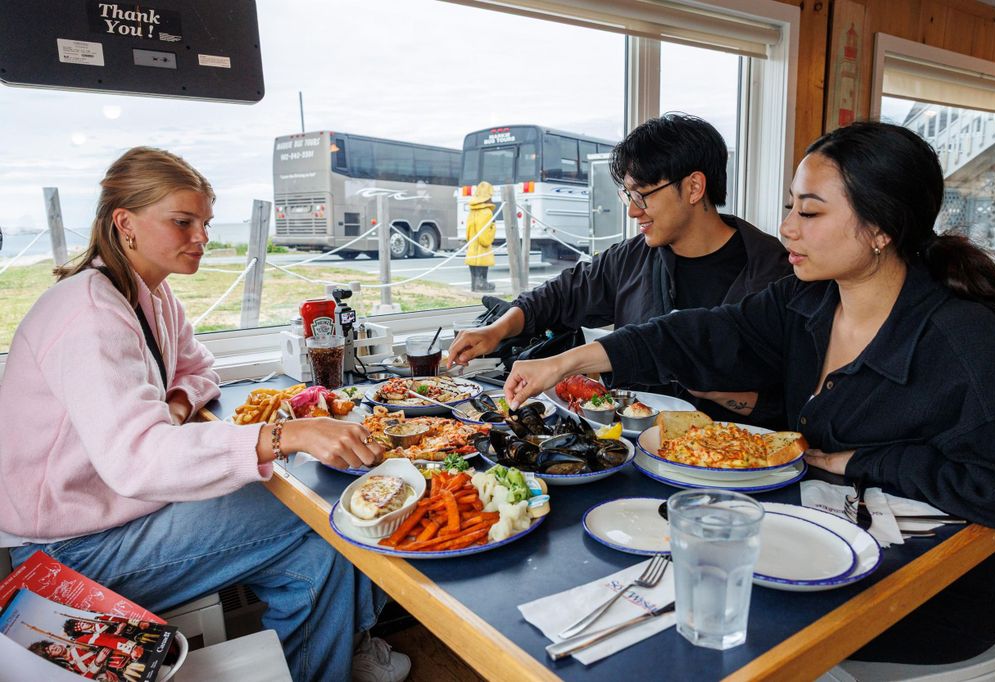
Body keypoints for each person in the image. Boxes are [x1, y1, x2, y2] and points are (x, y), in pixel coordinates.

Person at [503, 121, 995, 664]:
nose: (787, 228)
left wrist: (864, 461)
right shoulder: (806, 302)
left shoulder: (962, 342)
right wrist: (571, 359)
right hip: (816, 568)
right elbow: (700, 332)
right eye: (790, 207)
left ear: (881, 228)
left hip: (927, 614)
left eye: (811, 212)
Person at [0, 147, 410, 682]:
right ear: (125, 223)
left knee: (320, 556)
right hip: (66, 548)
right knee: (325, 519)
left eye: (206, 222)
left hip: (114, 514)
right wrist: (287, 433)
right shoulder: (89, 314)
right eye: (182, 221)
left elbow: (201, 370)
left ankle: (329, 658)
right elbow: (138, 462)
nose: (202, 236)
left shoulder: (152, 294)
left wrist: (173, 404)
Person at [448, 113, 792, 426]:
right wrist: (496, 330)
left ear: (693, 187)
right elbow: (561, 295)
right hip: (631, 447)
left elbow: (787, 401)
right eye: (628, 196)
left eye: (643, 195)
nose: (633, 212)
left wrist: (709, 386)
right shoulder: (633, 257)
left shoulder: (773, 272)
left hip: (734, 456)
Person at [465, 180, 496, 292]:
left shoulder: (472, 211)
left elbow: (468, 232)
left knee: (474, 269)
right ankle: (482, 284)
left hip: (472, 248)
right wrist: (493, 228)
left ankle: (475, 285)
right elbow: (485, 239)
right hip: (482, 251)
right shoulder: (487, 212)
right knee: (482, 266)